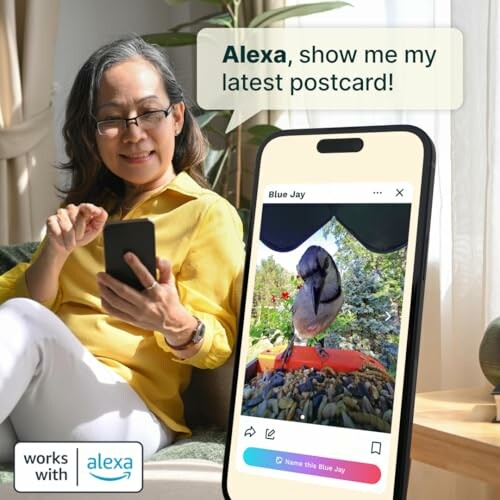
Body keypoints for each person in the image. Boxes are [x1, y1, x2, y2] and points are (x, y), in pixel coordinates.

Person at [0, 36, 244, 463]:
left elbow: (222, 340)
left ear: (177, 118)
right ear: (92, 134)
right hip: (45, 402)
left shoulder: (207, 213)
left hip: (129, 414)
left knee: (26, 319)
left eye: (149, 112)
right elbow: (14, 312)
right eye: (111, 119)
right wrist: (55, 252)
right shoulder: (85, 215)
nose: (133, 134)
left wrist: (175, 322)